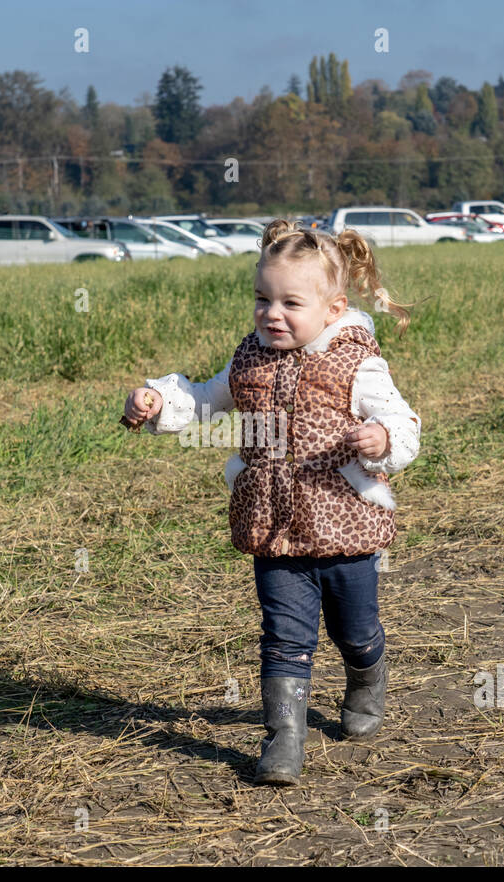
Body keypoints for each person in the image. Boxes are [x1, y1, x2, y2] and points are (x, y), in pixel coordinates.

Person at [122, 219, 421, 785]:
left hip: (344, 529)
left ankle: (366, 674)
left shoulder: (356, 362)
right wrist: (159, 397)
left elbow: (400, 420)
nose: (271, 314)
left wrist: (383, 442)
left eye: (290, 302)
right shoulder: (251, 359)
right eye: (262, 299)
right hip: (273, 526)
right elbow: (206, 395)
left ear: (333, 309)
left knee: (353, 629)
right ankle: (285, 736)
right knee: (284, 635)